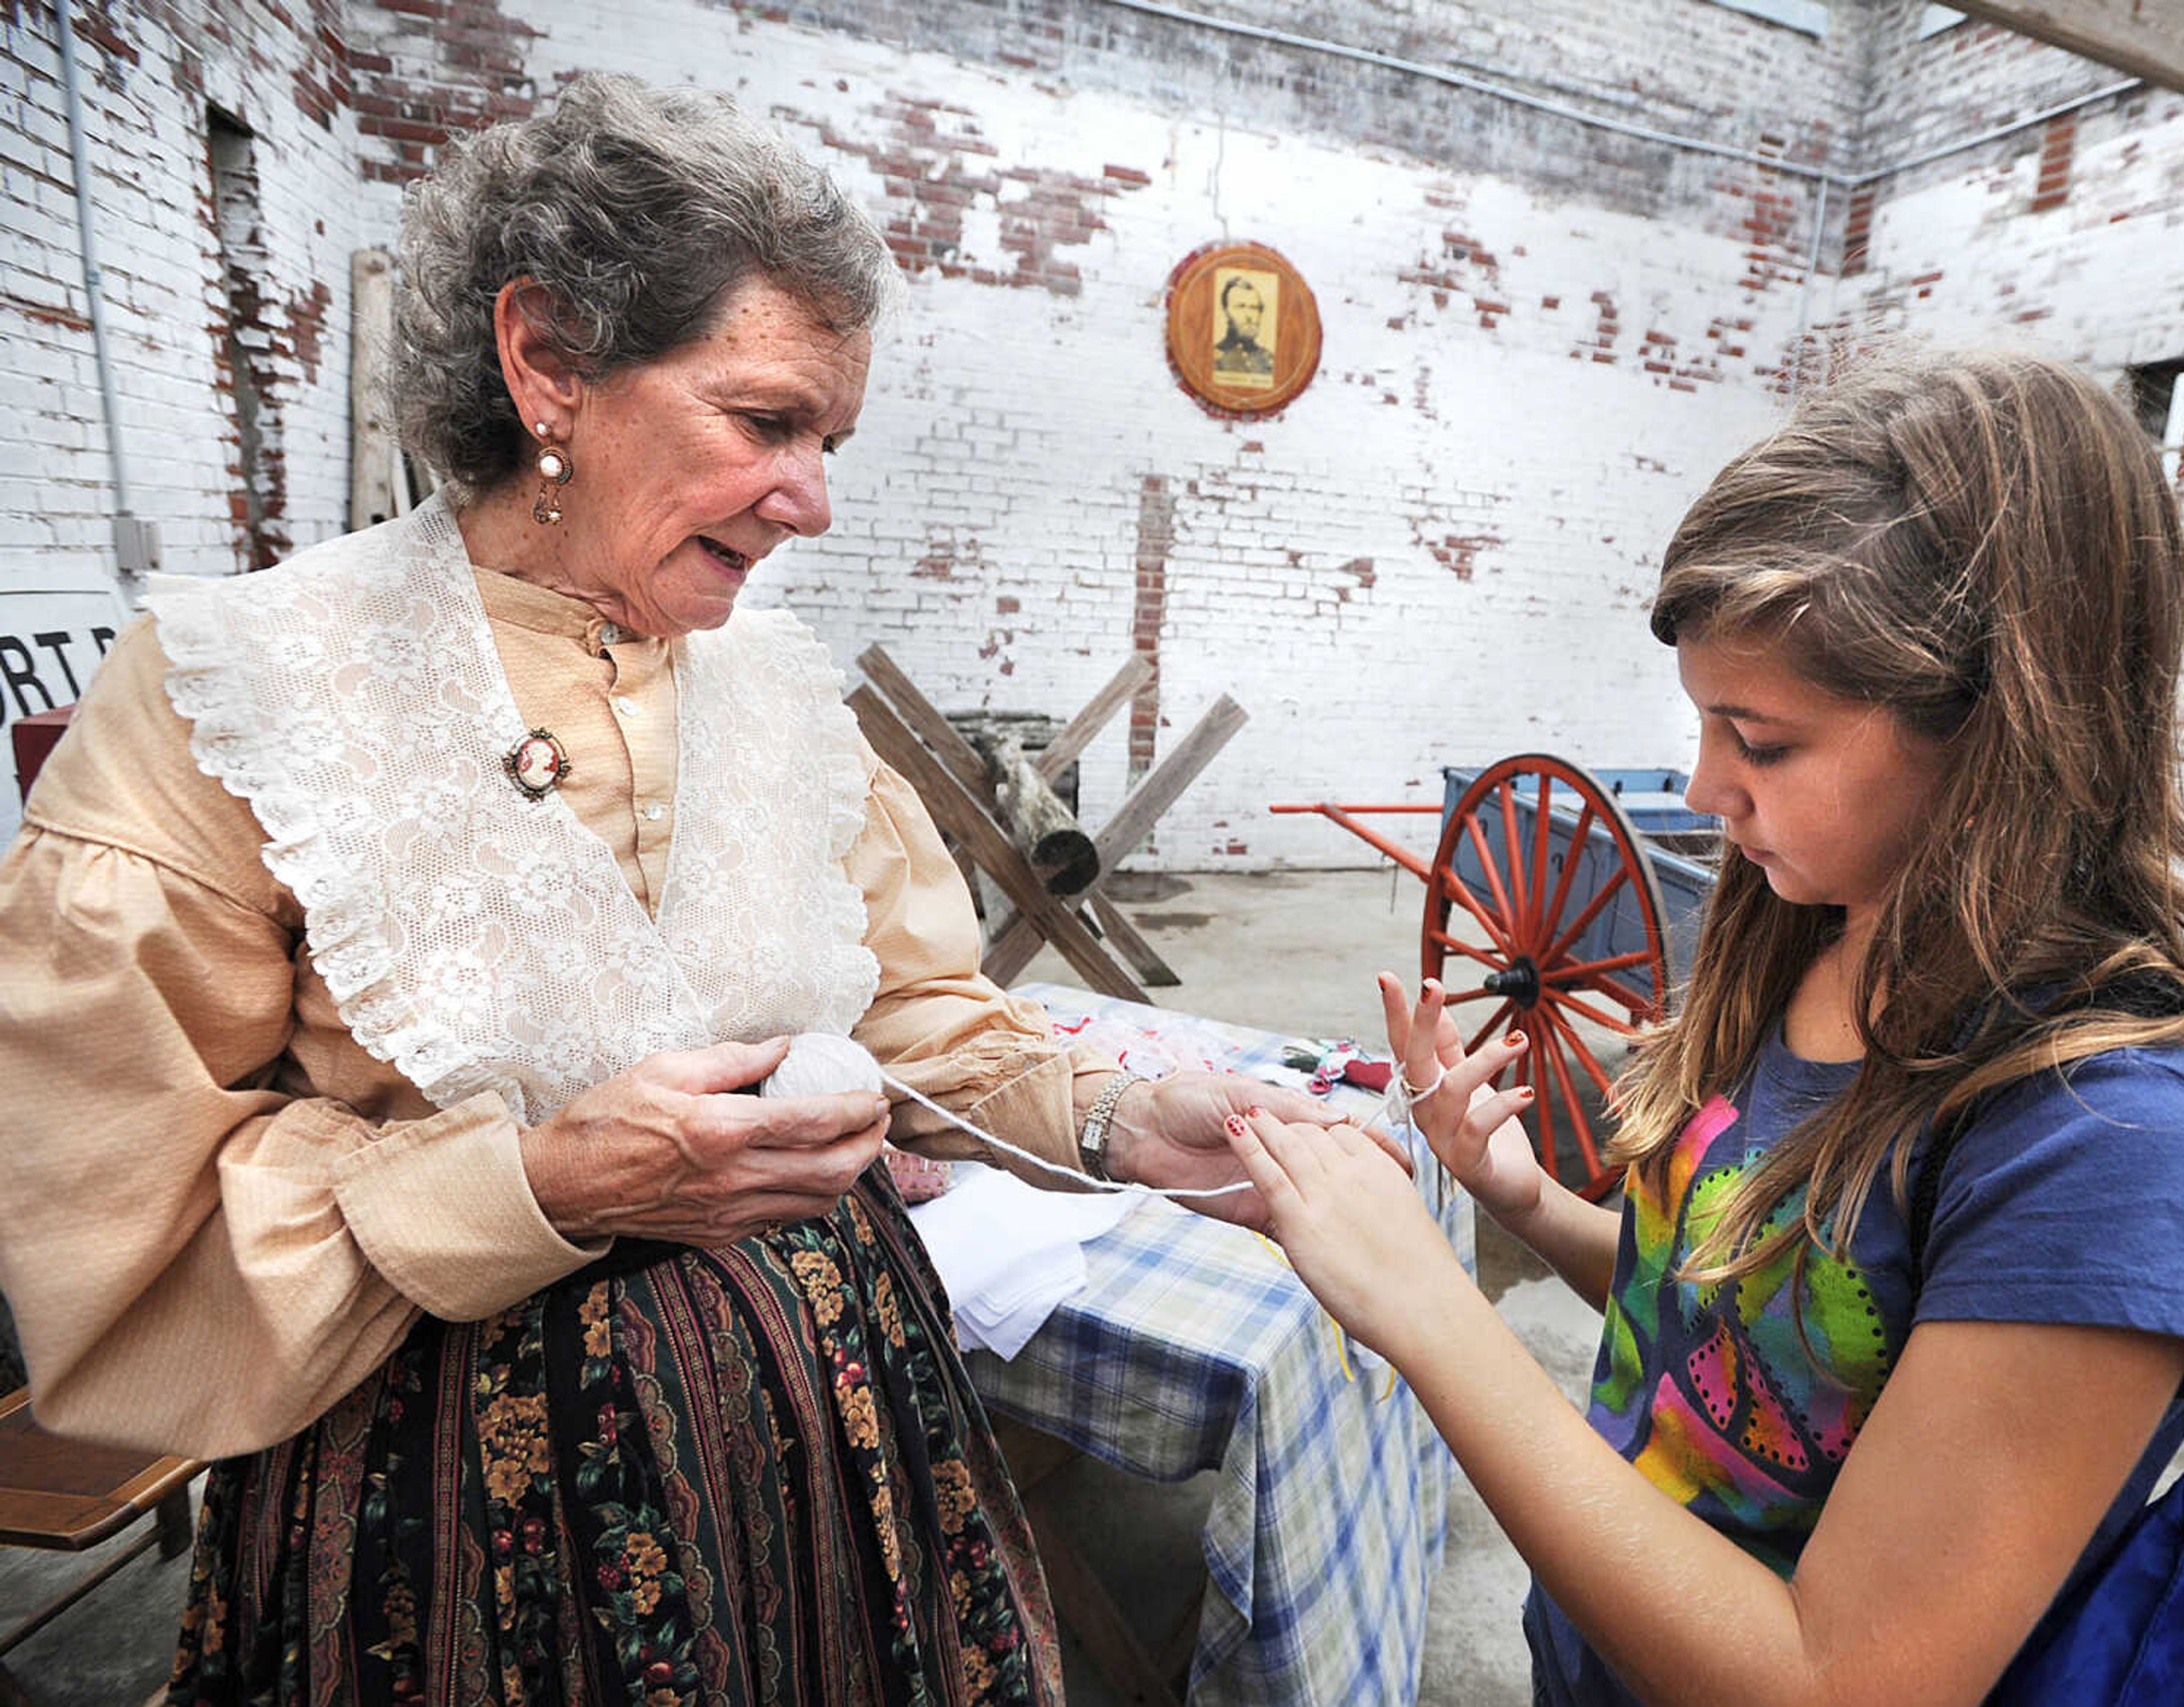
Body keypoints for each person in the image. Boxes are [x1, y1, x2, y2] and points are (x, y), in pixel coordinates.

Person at [0, 75, 1353, 1705]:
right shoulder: (244, 688)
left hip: (837, 1441)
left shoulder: (775, 689)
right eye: (766, 420)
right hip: (464, 1509)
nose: (815, 499)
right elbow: (113, 1206)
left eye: (830, 439)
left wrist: (1117, 1121)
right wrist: (546, 1183)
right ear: (550, 364)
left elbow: (908, 1005)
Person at [1221, 351, 2184, 1705]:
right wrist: (1526, 1199)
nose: (1708, 784)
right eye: (1704, 726)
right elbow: (1744, 1332)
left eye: (1763, 741)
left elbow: (1835, 1677)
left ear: (2001, 732)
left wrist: (1433, 1314)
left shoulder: (2114, 1142)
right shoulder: (1812, 929)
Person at [1213, 275, 1275, 380]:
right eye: (1240, 307)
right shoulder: (1212, 359)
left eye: (1254, 308)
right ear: (1226, 312)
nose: (1249, 316)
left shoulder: (1270, 361)